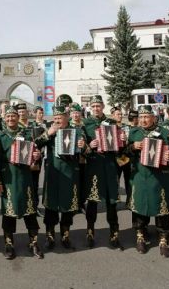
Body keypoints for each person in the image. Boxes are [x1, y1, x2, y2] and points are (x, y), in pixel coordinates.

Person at [0, 106, 43, 259]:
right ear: (4, 119)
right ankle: (9, 245)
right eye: (8, 117)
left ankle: (33, 243)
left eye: (13, 116)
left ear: (18, 117)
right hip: (8, 178)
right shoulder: (0, 138)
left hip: (25, 178)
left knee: (30, 212)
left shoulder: (27, 135)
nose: (10, 119)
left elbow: (35, 155)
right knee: (8, 214)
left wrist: (37, 155)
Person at [126, 105, 169, 257]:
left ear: (154, 118)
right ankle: (140, 234)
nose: (143, 120)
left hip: (159, 176)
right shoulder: (133, 132)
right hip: (140, 175)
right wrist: (132, 146)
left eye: (146, 117)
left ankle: (163, 237)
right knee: (140, 204)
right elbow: (122, 153)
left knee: (162, 205)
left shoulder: (164, 132)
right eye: (140, 117)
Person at [35, 104, 83, 250]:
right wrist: (48, 133)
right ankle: (50, 236)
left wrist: (84, 145)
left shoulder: (77, 131)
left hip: (70, 174)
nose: (57, 121)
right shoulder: (49, 130)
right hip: (53, 174)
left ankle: (65, 234)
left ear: (67, 118)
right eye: (55, 118)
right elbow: (35, 144)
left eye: (60, 118)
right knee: (51, 206)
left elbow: (86, 151)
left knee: (68, 206)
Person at [82, 95, 123, 249]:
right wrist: (88, 145)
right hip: (94, 166)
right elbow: (81, 148)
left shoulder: (112, 123)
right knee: (92, 201)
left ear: (103, 106)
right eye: (93, 106)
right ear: (90, 108)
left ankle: (114, 234)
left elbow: (121, 146)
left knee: (111, 202)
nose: (96, 108)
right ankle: (90, 231)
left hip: (110, 165)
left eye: (98, 105)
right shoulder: (85, 124)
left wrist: (122, 139)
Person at [112, 106, 132, 204]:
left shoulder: (126, 127)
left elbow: (131, 141)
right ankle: (116, 197)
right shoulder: (109, 127)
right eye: (117, 114)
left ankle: (129, 200)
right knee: (116, 178)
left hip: (125, 156)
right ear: (113, 116)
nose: (120, 116)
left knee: (128, 179)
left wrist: (126, 139)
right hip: (115, 156)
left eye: (121, 114)